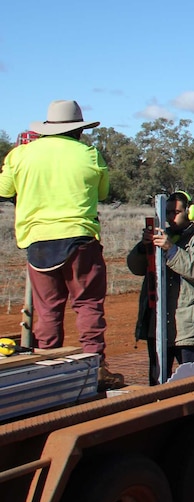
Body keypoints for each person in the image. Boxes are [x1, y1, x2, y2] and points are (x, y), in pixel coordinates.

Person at [0, 100, 123, 389]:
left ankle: (47, 370)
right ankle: (95, 366)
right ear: (78, 130)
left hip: (38, 241)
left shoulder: (21, 155)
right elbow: (102, 191)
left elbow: (4, 189)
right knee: (88, 304)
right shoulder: (89, 154)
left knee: (47, 310)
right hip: (80, 238)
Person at [127, 191, 194, 385]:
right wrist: (143, 248)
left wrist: (172, 250)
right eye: (167, 212)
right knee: (158, 382)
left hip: (185, 327)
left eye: (176, 212)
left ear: (190, 213)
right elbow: (135, 267)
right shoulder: (161, 237)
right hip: (157, 325)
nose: (171, 217)